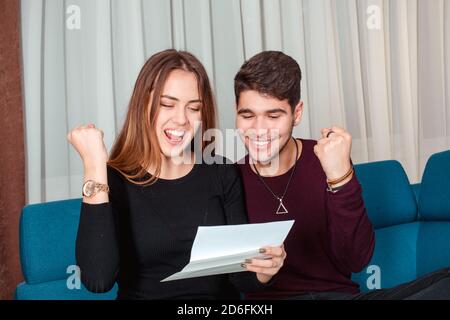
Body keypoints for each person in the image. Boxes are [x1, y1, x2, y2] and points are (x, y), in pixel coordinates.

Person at [67, 49, 286, 300]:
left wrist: (265, 269)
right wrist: (95, 165)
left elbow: (240, 277)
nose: (181, 119)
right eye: (167, 104)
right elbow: (98, 280)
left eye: (193, 108)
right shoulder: (112, 180)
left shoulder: (222, 172)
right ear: (143, 105)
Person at [233, 50, 450, 300]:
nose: (259, 130)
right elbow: (229, 280)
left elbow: (356, 259)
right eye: (247, 115)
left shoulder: (327, 160)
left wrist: (341, 177)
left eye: (273, 116)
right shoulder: (230, 179)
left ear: (297, 113)